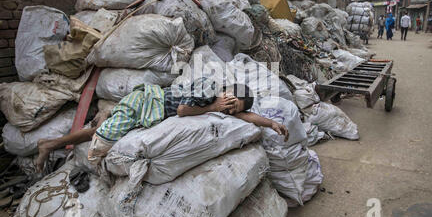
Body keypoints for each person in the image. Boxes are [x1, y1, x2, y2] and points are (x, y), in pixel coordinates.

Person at [36, 77, 289, 172]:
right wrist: (212, 107)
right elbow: (181, 110)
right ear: (225, 91)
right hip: (146, 102)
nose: (230, 110)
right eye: (230, 103)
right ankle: (101, 120)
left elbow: (245, 117)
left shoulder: (227, 105)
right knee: (104, 140)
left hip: (150, 112)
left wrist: (270, 123)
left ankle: (51, 143)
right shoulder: (209, 91)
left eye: (234, 109)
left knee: (100, 132)